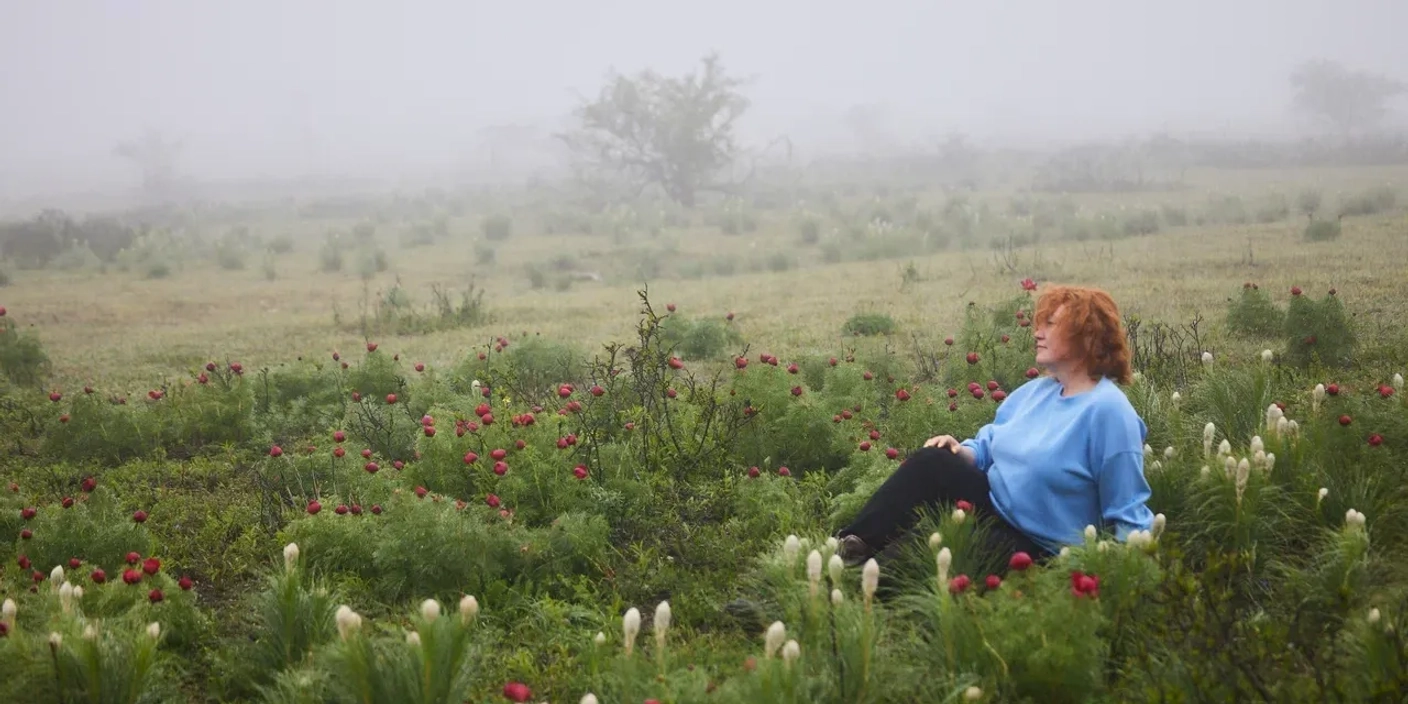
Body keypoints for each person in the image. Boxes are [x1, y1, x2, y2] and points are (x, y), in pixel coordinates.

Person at [836, 284, 1156, 568]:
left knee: (896, 572)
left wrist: (1124, 578)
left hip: (1036, 544)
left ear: (1087, 336)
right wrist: (961, 451)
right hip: (990, 505)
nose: (1037, 332)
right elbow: (990, 442)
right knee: (932, 460)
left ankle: (874, 571)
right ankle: (851, 545)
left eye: (1051, 324)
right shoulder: (1035, 392)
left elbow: (1128, 509)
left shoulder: (1109, 412)